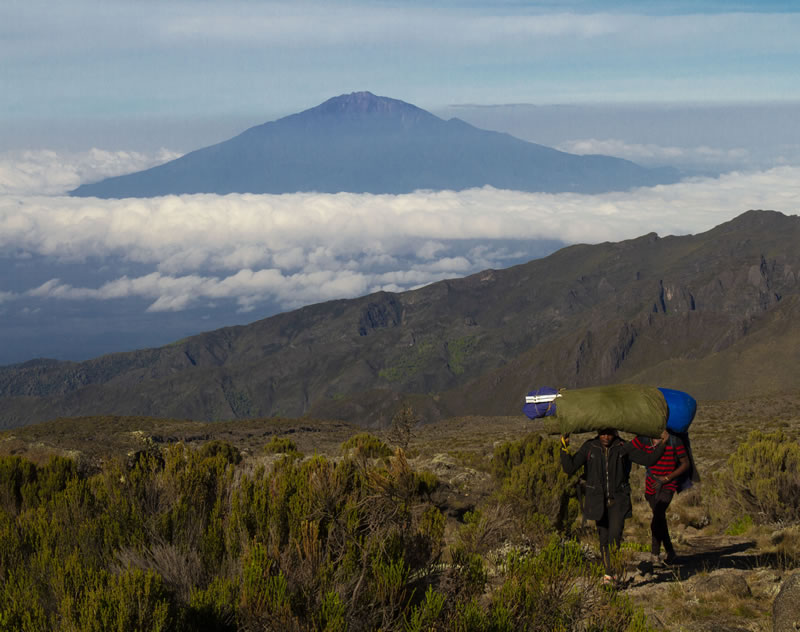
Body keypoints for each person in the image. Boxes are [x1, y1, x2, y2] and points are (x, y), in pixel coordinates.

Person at [560, 427, 668, 584]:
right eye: (602, 433)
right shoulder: (590, 447)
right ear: (598, 432)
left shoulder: (623, 447)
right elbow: (569, 468)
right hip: (597, 501)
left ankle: (610, 573)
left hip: (619, 500)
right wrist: (564, 446)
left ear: (615, 433)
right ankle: (609, 574)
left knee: (614, 537)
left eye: (609, 434)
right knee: (603, 538)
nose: (605, 437)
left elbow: (648, 460)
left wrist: (663, 443)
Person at [632, 432, 690, 566]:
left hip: (668, 485)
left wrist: (667, 478)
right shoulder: (644, 439)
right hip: (651, 485)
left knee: (658, 515)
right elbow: (629, 448)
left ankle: (655, 554)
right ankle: (670, 552)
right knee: (660, 518)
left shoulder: (675, 441)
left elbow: (685, 463)